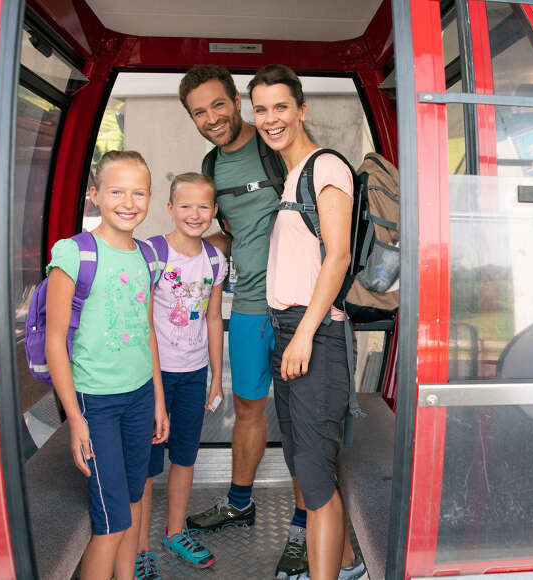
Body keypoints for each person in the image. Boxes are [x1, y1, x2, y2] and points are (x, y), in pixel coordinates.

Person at [178, 65, 310, 579]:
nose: (212, 118)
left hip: (296, 308)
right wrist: (188, 251)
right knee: (247, 408)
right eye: (199, 112)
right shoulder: (212, 165)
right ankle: (240, 502)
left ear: (236, 99)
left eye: (218, 104)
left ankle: (303, 522)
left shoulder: (278, 145)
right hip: (251, 306)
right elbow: (234, 235)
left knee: (301, 419)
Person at [249, 65, 368, 580]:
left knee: (315, 479)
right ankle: (346, 565)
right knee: (301, 462)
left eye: (281, 107)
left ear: (302, 108)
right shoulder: (291, 175)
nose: (271, 119)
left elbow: (337, 258)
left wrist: (300, 334)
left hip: (314, 335)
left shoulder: (326, 167)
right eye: (260, 109)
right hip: (289, 331)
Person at [45, 150, 169, 580]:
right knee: (111, 521)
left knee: (133, 506)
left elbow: (148, 332)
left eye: (139, 193)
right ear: (95, 195)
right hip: (95, 404)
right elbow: (56, 343)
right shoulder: (74, 254)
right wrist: (75, 420)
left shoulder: (147, 257)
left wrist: (158, 399)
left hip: (139, 399)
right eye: (117, 191)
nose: (128, 202)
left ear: (150, 198)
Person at [135, 172, 227, 577]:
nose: (195, 214)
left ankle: (174, 534)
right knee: (147, 465)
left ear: (214, 211)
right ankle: (138, 548)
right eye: (185, 205)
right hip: (152, 377)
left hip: (193, 374)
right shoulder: (152, 253)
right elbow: (140, 323)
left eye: (203, 206)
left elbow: (212, 318)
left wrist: (216, 377)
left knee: (185, 457)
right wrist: (155, 391)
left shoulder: (214, 260)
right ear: (169, 208)